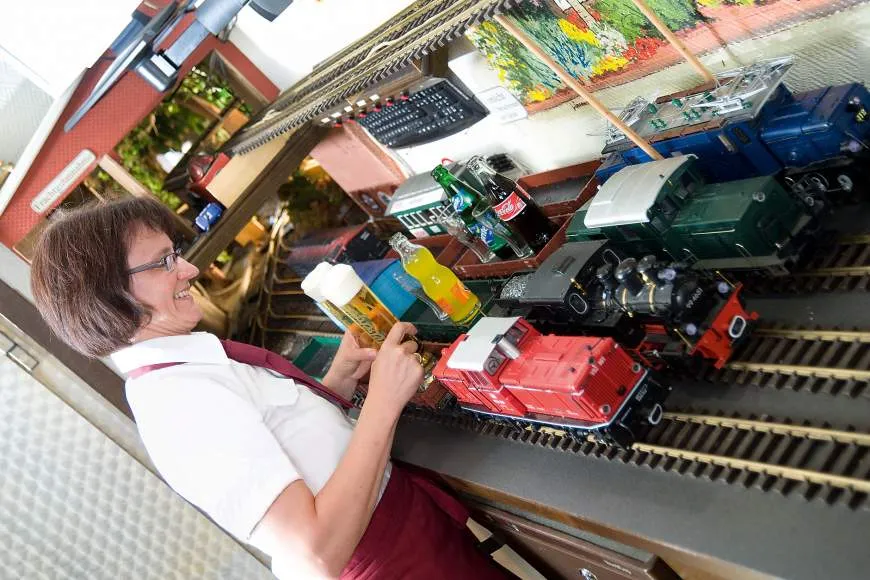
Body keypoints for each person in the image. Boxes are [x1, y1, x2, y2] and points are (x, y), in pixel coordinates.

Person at [31, 197, 510, 579]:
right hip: (394, 560)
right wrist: (383, 401)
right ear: (110, 297)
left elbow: (289, 447)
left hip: (409, 528)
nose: (190, 271)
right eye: (163, 263)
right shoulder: (178, 406)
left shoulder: (186, 370)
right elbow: (315, 555)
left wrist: (337, 382)